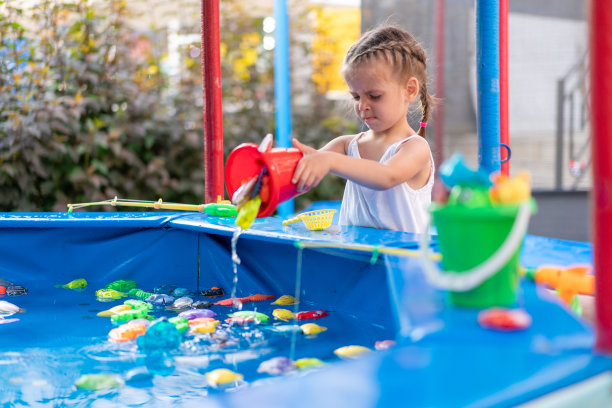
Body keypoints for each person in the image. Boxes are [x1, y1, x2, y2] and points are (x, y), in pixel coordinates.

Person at [291, 25, 435, 233]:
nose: (362, 105)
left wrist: (328, 160)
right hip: (356, 259)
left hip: (403, 263)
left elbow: (386, 176)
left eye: (374, 95)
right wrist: (260, 190)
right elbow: (300, 176)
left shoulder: (415, 148)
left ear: (409, 90)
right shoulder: (345, 145)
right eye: (356, 96)